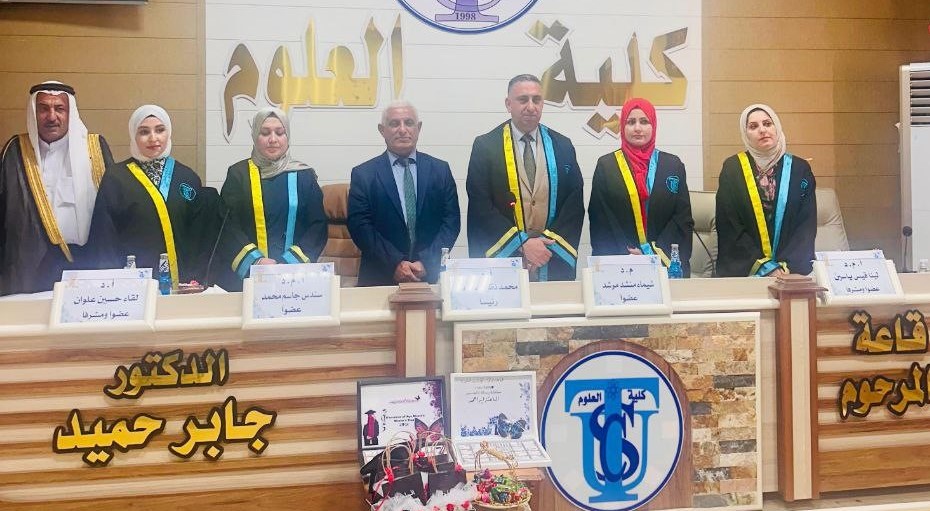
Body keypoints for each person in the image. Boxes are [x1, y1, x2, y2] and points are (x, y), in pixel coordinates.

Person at [465, 74, 584, 281]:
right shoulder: (486, 147)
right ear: (508, 104)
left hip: (550, 255)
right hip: (505, 259)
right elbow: (480, 203)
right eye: (523, 100)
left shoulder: (563, 146)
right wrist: (521, 243)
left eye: (536, 100)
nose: (531, 107)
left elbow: (573, 204)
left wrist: (543, 247)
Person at [0, 81, 114, 295]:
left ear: (71, 113)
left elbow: (114, 211)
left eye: (60, 109)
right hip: (30, 271)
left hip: (87, 265)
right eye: (43, 109)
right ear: (34, 113)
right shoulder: (14, 151)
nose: (51, 117)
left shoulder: (95, 148)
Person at [88, 105, 207, 289]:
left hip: (183, 285)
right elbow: (105, 238)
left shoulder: (187, 177)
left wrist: (195, 277)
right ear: (133, 136)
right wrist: (112, 283)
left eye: (160, 130)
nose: (153, 138)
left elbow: (199, 236)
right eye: (144, 132)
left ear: (169, 132)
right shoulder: (116, 178)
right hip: (133, 286)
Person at [348, 100, 460, 286]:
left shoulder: (440, 170)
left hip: (429, 277)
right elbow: (360, 226)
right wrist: (395, 264)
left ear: (418, 128)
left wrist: (427, 262)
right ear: (382, 130)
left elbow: (451, 222)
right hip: (380, 277)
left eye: (409, 123)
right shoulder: (364, 174)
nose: (402, 130)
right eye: (394, 123)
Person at [219, 107, 327, 290]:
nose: (273, 139)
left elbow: (317, 226)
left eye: (279, 132)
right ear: (255, 136)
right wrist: (256, 262)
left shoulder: (304, 175)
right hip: (248, 279)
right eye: (265, 133)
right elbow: (227, 226)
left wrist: (288, 264)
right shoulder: (238, 175)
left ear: (287, 136)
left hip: (295, 279)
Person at [588, 98, 694, 275]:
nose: (637, 128)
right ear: (623, 127)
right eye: (631, 122)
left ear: (654, 126)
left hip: (663, 264)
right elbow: (601, 219)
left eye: (644, 121)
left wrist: (650, 254)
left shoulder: (672, 165)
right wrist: (628, 255)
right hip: (621, 265)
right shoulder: (607, 166)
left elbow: (682, 218)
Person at [716, 104, 816, 277]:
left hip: (791, 271)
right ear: (745, 134)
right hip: (746, 272)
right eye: (753, 126)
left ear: (777, 127)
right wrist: (766, 268)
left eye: (768, 124)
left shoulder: (800, 169)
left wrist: (786, 268)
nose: (762, 130)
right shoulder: (732, 169)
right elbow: (729, 225)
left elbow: (806, 225)